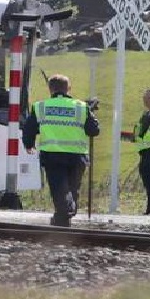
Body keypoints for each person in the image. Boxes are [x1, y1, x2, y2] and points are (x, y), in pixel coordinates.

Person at [22, 73, 99, 227]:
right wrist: (92, 114)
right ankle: (63, 217)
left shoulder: (40, 106)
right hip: (78, 157)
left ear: (50, 89)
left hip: (53, 155)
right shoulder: (81, 107)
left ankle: (64, 215)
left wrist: (29, 144)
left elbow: (29, 128)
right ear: (68, 89)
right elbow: (94, 131)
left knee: (59, 188)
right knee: (72, 188)